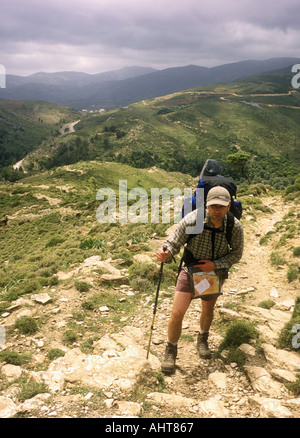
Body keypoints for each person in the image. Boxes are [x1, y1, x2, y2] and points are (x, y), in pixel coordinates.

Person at [156, 186, 244, 373]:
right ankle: (170, 350)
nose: (217, 211)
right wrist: (166, 253)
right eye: (213, 206)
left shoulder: (234, 226)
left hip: (213, 273)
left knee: (207, 308)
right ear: (207, 206)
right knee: (177, 313)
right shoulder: (193, 219)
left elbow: (237, 253)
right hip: (189, 269)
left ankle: (202, 339)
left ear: (228, 206)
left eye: (221, 206)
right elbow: (173, 242)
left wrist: (216, 265)